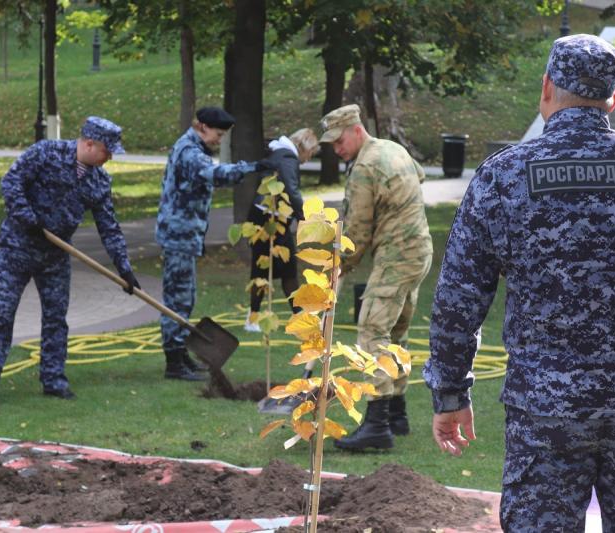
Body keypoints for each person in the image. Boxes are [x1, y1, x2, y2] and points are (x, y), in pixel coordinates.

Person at [423, 34, 615, 531]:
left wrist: (451, 394)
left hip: (545, 409)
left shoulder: (503, 177)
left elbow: (459, 299)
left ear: (546, 88)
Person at [0, 116, 140, 407]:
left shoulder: (99, 180)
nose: (110, 157)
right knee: (2, 315)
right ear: (89, 143)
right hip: (18, 248)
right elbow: (11, 182)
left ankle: (53, 380)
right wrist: (29, 219)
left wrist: (124, 267)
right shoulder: (45, 153)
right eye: (107, 151)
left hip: (56, 256)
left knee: (55, 318)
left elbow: (109, 227)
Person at [318, 104, 433, 451]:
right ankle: (397, 415)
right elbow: (420, 176)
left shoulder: (365, 166)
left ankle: (377, 425)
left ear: (356, 130)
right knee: (396, 331)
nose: (337, 149)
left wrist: (340, 266)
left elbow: (357, 230)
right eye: (331, 144)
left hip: (397, 255)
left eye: (339, 141)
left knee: (372, 331)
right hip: (419, 250)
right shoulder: (392, 148)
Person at [156, 106, 273, 381]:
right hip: (178, 236)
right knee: (177, 299)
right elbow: (216, 175)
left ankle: (181, 353)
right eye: (217, 134)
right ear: (202, 126)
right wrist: (255, 167)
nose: (219, 140)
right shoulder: (189, 152)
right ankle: (174, 362)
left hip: (186, 235)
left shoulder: (193, 148)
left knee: (186, 297)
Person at [245, 128, 319, 332]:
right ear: (303, 146)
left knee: (280, 266)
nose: (308, 158)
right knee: (271, 267)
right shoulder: (287, 157)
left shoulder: (279, 153)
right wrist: (303, 216)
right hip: (269, 218)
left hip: (271, 217)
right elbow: (291, 190)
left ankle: (291, 315)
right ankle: (255, 317)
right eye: (310, 153)